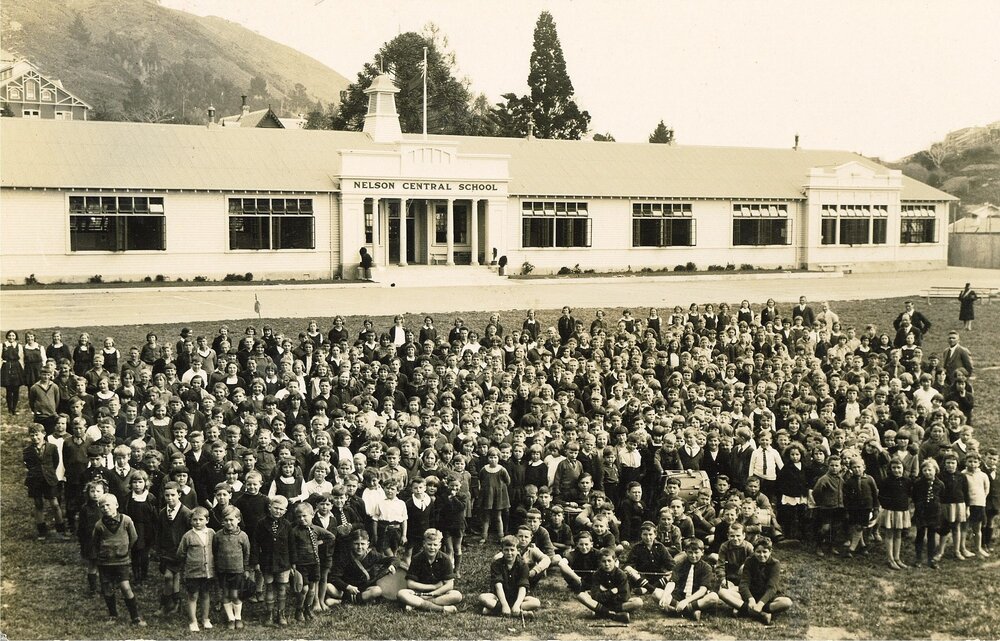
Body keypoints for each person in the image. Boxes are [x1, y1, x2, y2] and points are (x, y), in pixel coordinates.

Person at [90, 493, 146, 626]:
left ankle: (135, 617)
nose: (105, 508)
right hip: (105, 562)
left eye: (108, 505)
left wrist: (124, 549)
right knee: (107, 587)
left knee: (125, 587)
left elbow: (133, 537)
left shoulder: (126, 520)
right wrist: (104, 553)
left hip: (122, 561)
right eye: (102, 506)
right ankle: (113, 615)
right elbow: (95, 541)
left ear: (116, 505)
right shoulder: (99, 525)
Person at [719, 537, 792, 625]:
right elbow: (744, 584)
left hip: (767, 597)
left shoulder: (775, 564)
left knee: (786, 602)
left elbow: (772, 588)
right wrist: (750, 599)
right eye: (758, 552)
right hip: (750, 595)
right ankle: (761, 615)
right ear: (754, 551)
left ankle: (743, 610)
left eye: (764, 552)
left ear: (770, 551)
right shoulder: (749, 561)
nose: (761, 555)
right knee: (722, 592)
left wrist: (761, 603)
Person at [396, 528, 463, 613]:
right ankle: (441, 609)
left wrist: (432, 594)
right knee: (401, 593)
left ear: (439, 545)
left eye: (435, 545)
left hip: (438, 593)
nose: (432, 548)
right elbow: (410, 583)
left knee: (457, 595)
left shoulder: (445, 559)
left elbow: (449, 585)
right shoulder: (417, 558)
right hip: (420, 593)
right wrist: (433, 587)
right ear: (424, 544)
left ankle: (418, 604)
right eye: (429, 544)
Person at [654, 538, 719, 621]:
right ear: (686, 552)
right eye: (690, 552)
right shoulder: (680, 565)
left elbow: (703, 590)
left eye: (696, 553)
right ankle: (689, 611)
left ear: (702, 552)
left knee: (713, 597)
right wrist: (664, 596)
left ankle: (677, 610)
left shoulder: (706, 568)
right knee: (656, 593)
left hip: (696, 599)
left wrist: (686, 602)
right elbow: (672, 582)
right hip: (679, 597)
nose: (693, 556)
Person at [478, 535, 541, 618]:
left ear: (517, 551)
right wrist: (504, 605)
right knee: (482, 597)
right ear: (502, 551)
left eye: (512, 550)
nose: (509, 553)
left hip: (516, 597)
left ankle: (494, 611)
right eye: (506, 550)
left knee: (536, 602)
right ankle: (519, 613)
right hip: (499, 598)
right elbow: (498, 585)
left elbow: (523, 586)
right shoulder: (496, 564)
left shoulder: (523, 565)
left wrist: (517, 604)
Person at [254, 495, 294, 626]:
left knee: (282, 588)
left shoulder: (287, 525)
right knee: (269, 587)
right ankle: (269, 614)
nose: (278, 511)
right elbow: (255, 543)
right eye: (275, 508)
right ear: (269, 507)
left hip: (283, 562)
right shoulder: (261, 523)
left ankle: (281, 613)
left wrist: (293, 563)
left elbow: (291, 545)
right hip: (267, 561)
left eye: (281, 509)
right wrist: (256, 562)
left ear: (285, 511)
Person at [327, 529, 395, 605]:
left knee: (377, 590)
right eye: (356, 544)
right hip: (347, 588)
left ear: (368, 544)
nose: (359, 547)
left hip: (364, 588)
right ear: (351, 544)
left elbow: (394, 559)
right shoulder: (345, 556)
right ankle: (357, 599)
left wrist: (392, 564)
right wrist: (347, 587)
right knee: (328, 587)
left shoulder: (373, 555)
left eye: (362, 544)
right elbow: (334, 577)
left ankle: (341, 601)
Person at [23, 423, 66, 540]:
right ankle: (42, 531)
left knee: (55, 504)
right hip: (35, 481)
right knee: (38, 504)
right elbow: (29, 465)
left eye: (37, 435)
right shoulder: (27, 451)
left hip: (49, 479)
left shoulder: (52, 447)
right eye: (32, 435)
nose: (35, 438)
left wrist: (49, 472)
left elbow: (55, 462)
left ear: (44, 434)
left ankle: (61, 529)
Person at [575, 548, 640, 623]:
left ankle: (602, 612)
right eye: (603, 561)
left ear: (615, 561)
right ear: (599, 562)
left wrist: (604, 592)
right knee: (581, 595)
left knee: (638, 602)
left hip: (617, 605)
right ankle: (612, 615)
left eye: (609, 561)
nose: (607, 564)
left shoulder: (621, 575)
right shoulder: (597, 575)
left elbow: (624, 597)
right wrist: (611, 592)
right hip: (601, 604)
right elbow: (595, 596)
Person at [177, 506, 216, 632]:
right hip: (192, 572)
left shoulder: (211, 533)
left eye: (200, 519)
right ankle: (193, 621)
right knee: (193, 596)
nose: (198, 522)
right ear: (191, 521)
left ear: (207, 520)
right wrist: (186, 567)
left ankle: (205, 618)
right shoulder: (187, 536)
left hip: (208, 571)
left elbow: (215, 548)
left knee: (205, 594)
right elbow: (180, 553)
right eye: (195, 520)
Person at [214, 504, 251, 630]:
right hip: (223, 570)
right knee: (225, 594)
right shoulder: (218, 535)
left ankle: (238, 617)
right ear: (222, 521)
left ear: (238, 520)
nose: (229, 523)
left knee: (235, 595)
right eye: (226, 520)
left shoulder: (243, 536)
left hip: (237, 570)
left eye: (232, 520)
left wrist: (246, 569)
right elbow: (215, 551)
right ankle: (230, 618)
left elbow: (247, 553)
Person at [876, 458, 912, 570]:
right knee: (889, 534)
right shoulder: (886, 481)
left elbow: (910, 495)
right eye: (894, 468)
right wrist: (888, 506)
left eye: (899, 468)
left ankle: (897, 558)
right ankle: (890, 559)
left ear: (903, 468)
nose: (896, 470)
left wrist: (906, 506)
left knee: (898, 534)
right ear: (890, 469)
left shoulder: (907, 481)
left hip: (902, 510)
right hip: (890, 511)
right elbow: (881, 496)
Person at [912, 458, 944, 569]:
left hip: (934, 513)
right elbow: (914, 497)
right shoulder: (918, 483)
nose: (927, 472)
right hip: (921, 512)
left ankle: (931, 559)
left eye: (930, 470)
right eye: (925, 470)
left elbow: (942, 497)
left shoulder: (940, 484)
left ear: (935, 470)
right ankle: (918, 558)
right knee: (920, 535)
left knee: (931, 536)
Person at [2, 330, 25, 415]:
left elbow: (21, 358)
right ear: (7, 336)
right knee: (8, 389)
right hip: (7, 367)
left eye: (13, 336)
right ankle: (9, 409)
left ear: (15, 337)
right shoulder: (3, 345)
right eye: (9, 336)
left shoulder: (19, 346)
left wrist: (22, 370)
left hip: (16, 367)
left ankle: (14, 409)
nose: (11, 337)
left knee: (16, 389)